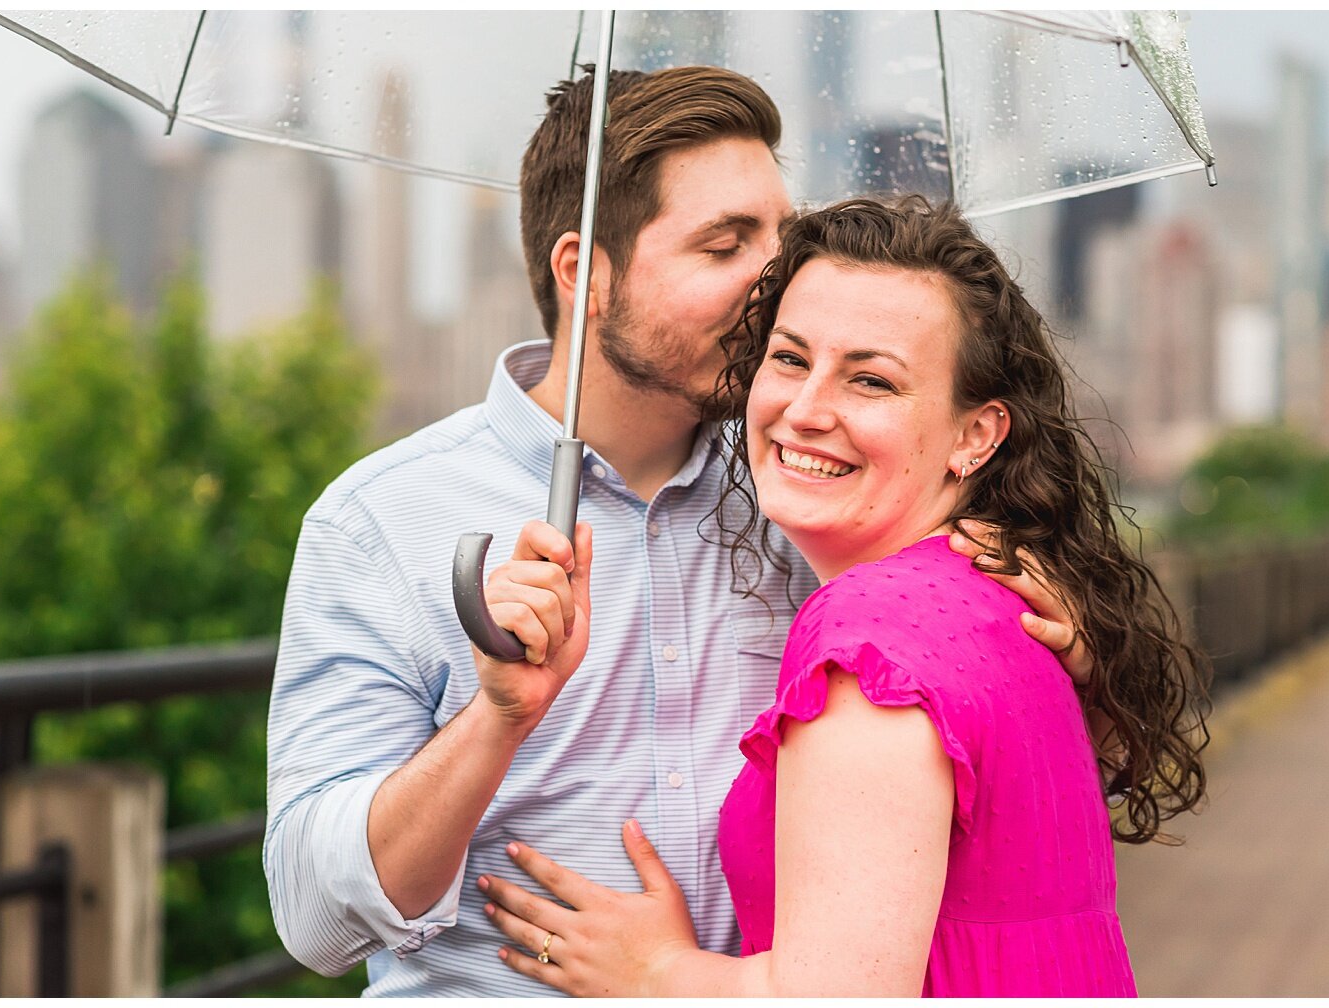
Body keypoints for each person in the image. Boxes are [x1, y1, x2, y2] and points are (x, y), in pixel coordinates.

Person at [264, 68, 1090, 996]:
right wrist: (497, 718)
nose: (774, 280)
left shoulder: (810, 490)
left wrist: (1056, 636)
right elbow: (313, 920)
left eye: (778, 236)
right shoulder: (378, 520)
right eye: (726, 244)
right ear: (587, 274)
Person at [476, 196, 1212, 997]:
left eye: (871, 379)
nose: (806, 409)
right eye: (790, 360)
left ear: (977, 435)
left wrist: (659, 971)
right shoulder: (1004, 602)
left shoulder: (871, 636)